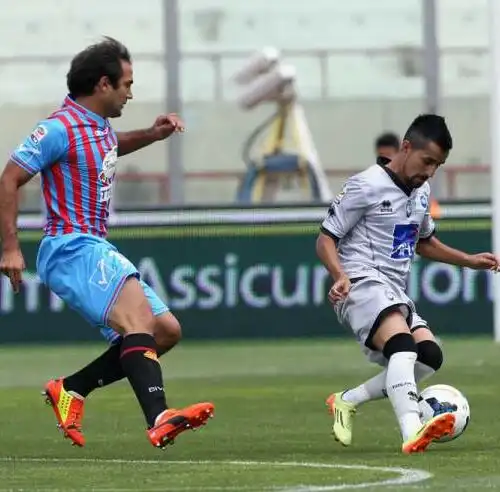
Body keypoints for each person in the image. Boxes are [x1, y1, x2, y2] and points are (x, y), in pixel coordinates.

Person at [0, 37, 214, 449]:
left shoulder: (98, 128)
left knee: (165, 330)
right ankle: (159, 416)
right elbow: (9, 179)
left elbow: (110, 147)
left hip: (93, 245)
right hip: (71, 247)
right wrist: (10, 247)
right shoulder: (57, 129)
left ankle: (71, 388)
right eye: (127, 84)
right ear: (103, 84)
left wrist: (152, 134)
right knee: (138, 322)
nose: (131, 94)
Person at [316, 114, 499, 454]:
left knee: (428, 356)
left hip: (392, 289)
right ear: (406, 147)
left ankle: (346, 400)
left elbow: (423, 241)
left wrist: (469, 261)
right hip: (359, 280)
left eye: (438, 165)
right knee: (402, 346)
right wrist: (339, 274)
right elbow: (325, 238)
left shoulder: (421, 191)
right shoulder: (365, 185)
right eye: (427, 161)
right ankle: (412, 429)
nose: (430, 171)